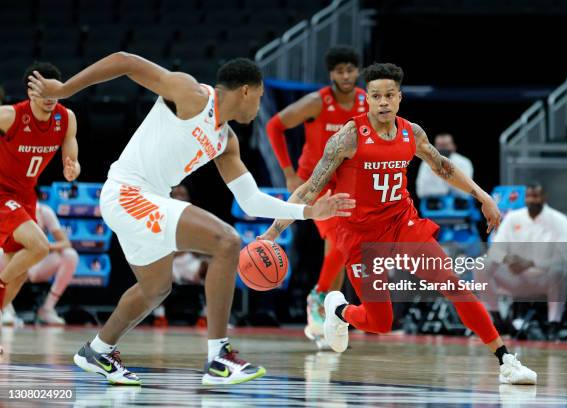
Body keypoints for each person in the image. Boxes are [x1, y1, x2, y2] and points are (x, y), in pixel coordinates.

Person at [28, 52, 355, 385]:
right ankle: (219, 357)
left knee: (155, 289)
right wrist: (65, 89)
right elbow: (126, 61)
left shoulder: (226, 141)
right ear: (244, 91)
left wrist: (308, 211)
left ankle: (98, 350)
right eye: (258, 99)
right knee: (226, 241)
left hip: (148, 199)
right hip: (127, 192)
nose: (258, 108)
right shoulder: (191, 94)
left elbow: (251, 200)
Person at [261, 63, 537, 385]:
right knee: (381, 322)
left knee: (453, 284)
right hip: (361, 236)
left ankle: (505, 360)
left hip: (402, 224)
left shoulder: (411, 132)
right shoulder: (348, 137)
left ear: (399, 98)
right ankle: (340, 311)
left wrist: (482, 195)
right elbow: (309, 188)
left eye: (388, 95)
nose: (382, 102)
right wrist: (272, 232)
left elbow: (443, 167)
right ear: (368, 99)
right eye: (375, 96)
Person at [266, 45, 367, 347]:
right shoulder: (317, 102)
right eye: (340, 70)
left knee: (340, 249)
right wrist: (287, 172)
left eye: (350, 69)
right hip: (316, 179)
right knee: (340, 240)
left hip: (349, 180)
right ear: (331, 74)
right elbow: (275, 126)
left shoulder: (366, 102)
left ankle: (325, 317)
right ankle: (319, 297)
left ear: (357, 71)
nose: (346, 75)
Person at [0, 62, 80, 348]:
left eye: (54, 91)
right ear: (30, 92)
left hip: (26, 196)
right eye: (43, 91)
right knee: (40, 247)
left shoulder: (66, 118)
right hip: (1, 193)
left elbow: (71, 153)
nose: (49, 97)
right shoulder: (10, 115)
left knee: (19, 272)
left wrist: (73, 167)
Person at [476, 183, 567, 341]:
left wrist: (532, 263)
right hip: (515, 277)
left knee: (559, 271)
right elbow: (495, 250)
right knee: (482, 264)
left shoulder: (559, 220)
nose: (532, 200)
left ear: (544, 198)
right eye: (528, 196)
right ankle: (498, 321)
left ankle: (554, 325)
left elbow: (564, 257)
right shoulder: (513, 218)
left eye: (536, 196)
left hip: (544, 277)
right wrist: (509, 259)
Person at [0, 198, 79, 326]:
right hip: (13, 260)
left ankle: (48, 309)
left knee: (70, 255)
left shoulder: (44, 211)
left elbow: (66, 243)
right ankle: (6, 310)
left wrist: (43, 247)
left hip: (39, 262)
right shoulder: (6, 208)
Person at [152, 184, 210, 328]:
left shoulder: (197, 218)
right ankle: (159, 316)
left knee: (211, 267)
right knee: (157, 271)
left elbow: (206, 248)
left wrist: (199, 253)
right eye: (175, 194)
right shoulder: (160, 216)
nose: (178, 197)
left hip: (190, 262)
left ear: (188, 198)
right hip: (169, 262)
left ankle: (206, 316)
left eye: (182, 194)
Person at [416, 132, 473, 198]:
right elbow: (422, 191)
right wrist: (447, 189)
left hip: (460, 205)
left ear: (453, 146)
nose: (443, 149)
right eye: (440, 146)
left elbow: (466, 190)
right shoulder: (426, 163)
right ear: (433, 147)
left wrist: (441, 188)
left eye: (445, 145)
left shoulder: (464, 162)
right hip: (433, 204)